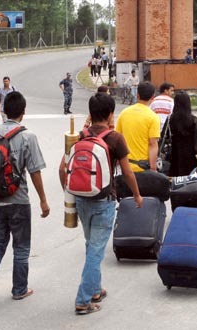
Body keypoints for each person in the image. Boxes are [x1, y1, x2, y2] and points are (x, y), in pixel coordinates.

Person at [58, 92, 142, 315]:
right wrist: (137, 194)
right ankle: (83, 300)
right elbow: (127, 171)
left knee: (91, 246)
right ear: (111, 114)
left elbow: (62, 169)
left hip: (82, 201)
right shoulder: (115, 138)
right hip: (103, 201)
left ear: (91, 113)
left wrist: (69, 194)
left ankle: (95, 289)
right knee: (95, 251)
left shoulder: (79, 136)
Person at [0, 91, 50, 303]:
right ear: (23, 112)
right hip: (18, 200)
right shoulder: (27, 136)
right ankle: (19, 289)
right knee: (21, 246)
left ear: (3, 110)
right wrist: (43, 200)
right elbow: (35, 172)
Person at [116, 81, 160, 172]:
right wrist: (153, 168)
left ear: (137, 95)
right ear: (153, 97)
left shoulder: (124, 113)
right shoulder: (153, 117)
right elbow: (152, 144)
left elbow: (117, 139)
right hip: (143, 168)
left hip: (125, 166)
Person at [168, 91, 197, 177]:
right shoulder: (194, 120)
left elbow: (164, 137)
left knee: (175, 182)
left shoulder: (170, 119)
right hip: (190, 157)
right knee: (189, 181)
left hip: (175, 155)